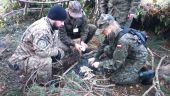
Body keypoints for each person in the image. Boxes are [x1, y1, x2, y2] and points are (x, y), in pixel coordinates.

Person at [8, 5, 67, 84]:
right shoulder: (42, 30)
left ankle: (40, 74)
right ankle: (44, 84)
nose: (63, 24)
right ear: (54, 18)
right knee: (46, 61)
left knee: (54, 55)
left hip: (32, 54)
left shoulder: (52, 26)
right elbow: (42, 52)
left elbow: (54, 43)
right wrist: (57, 52)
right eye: (61, 21)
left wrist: (62, 50)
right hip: (20, 61)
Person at [88, 14, 149, 85]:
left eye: (103, 31)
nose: (102, 33)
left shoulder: (123, 40)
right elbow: (103, 45)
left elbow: (117, 63)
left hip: (136, 58)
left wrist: (100, 64)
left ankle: (143, 75)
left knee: (116, 78)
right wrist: (95, 57)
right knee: (106, 49)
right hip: (126, 53)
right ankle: (128, 68)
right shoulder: (112, 33)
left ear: (110, 27)